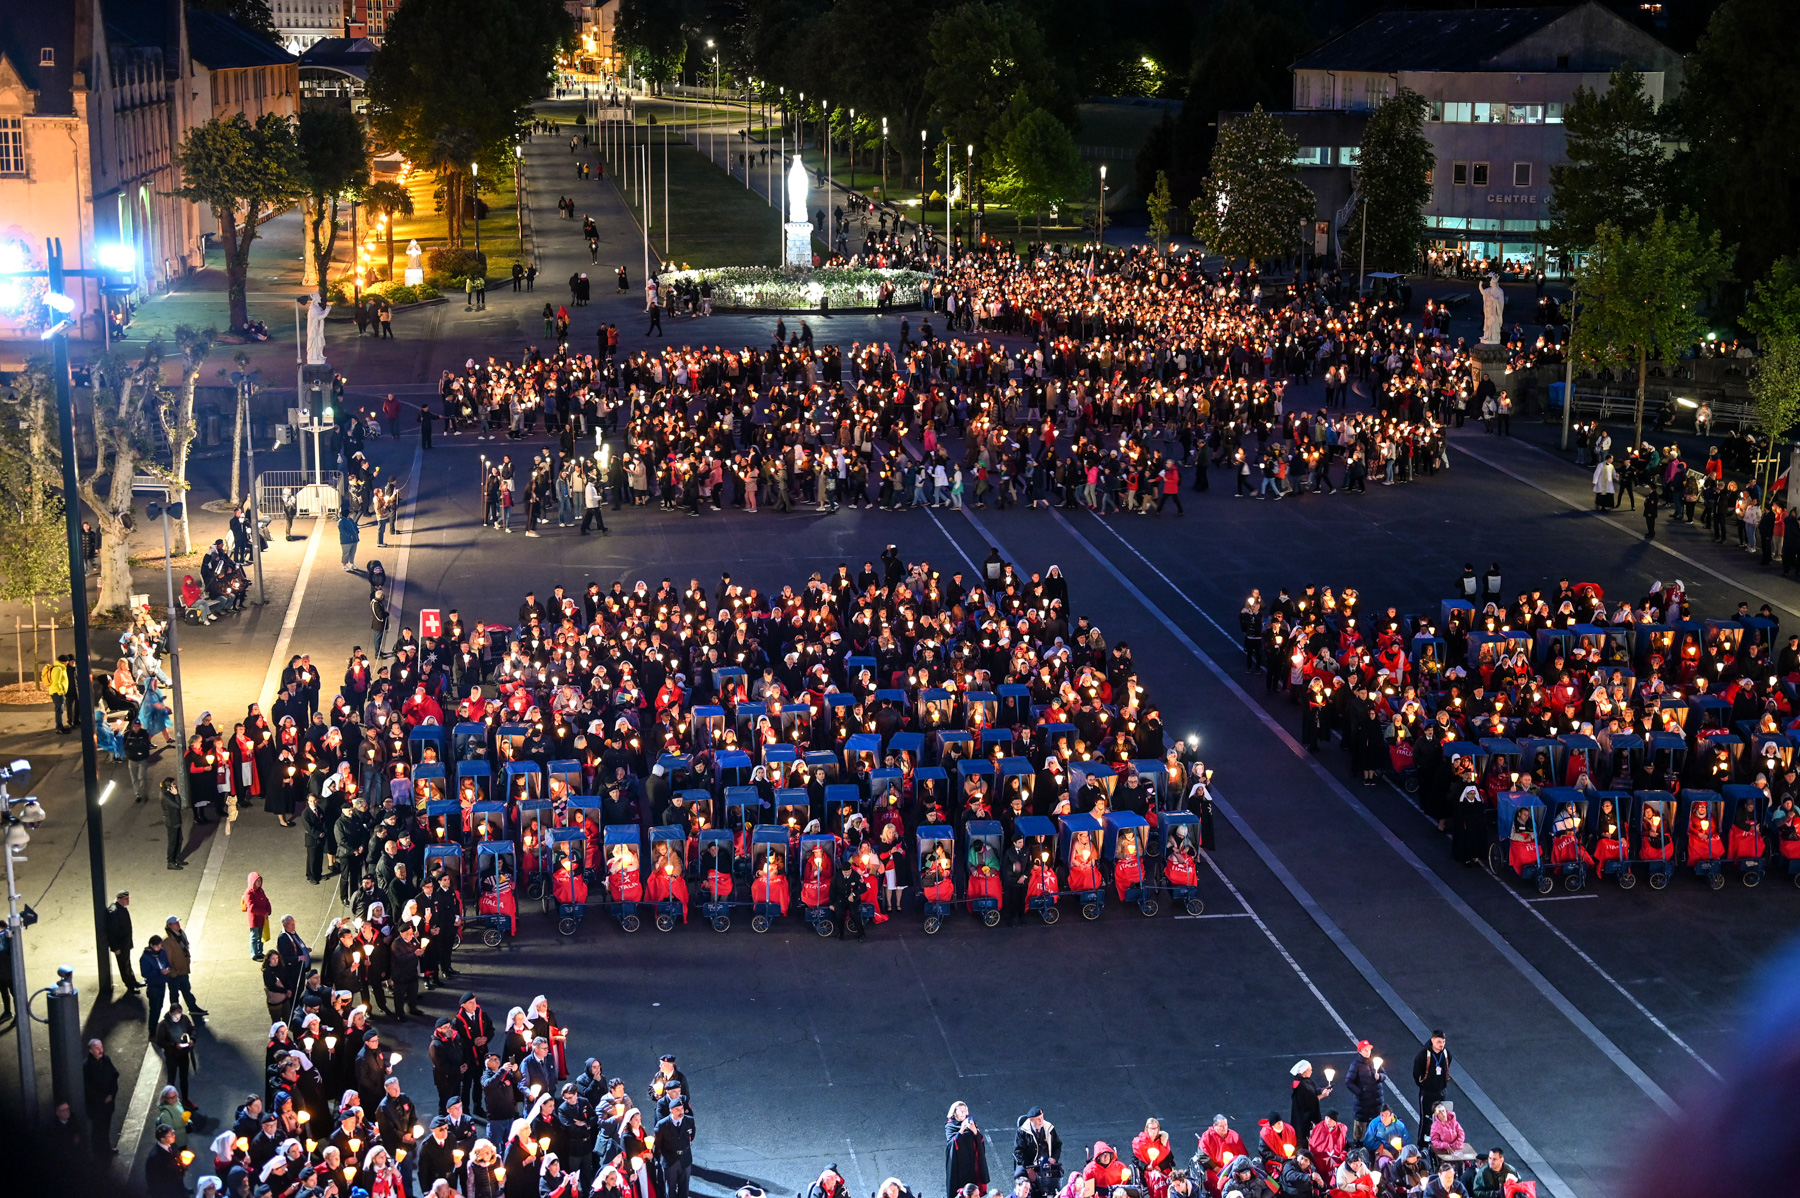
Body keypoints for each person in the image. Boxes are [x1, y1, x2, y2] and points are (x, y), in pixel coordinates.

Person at [652, 1095, 695, 1198]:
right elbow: (658, 1144)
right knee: (670, 1190)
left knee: (684, 1189)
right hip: (670, 1161)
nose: (681, 1112)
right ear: (671, 1111)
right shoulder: (662, 1125)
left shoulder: (689, 1121)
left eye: (682, 1109)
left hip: (685, 1159)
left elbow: (691, 1136)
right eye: (677, 1110)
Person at [1412, 1031, 1451, 1140]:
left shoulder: (1446, 1054)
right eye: (1439, 1041)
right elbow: (1416, 1073)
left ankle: (1438, 1141)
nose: (1441, 1044)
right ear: (1432, 1040)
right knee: (1426, 1118)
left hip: (1441, 1091)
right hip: (1427, 1092)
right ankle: (1422, 1143)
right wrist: (1424, 1085)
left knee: (1442, 1117)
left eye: (1443, 1042)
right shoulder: (1423, 1055)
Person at [85, 1038, 120, 1157]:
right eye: (97, 1048)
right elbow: (88, 1088)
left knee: (106, 1127)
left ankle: (106, 1149)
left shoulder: (106, 1059)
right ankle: (98, 1152)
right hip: (96, 1105)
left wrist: (111, 1094)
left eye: (101, 1047)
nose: (101, 1050)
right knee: (97, 1129)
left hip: (108, 1103)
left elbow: (114, 1075)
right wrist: (102, 1098)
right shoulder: (86, 1066)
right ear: (90, 1050)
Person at [945, 1102, 987, 1197]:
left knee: (973, 1181)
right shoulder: (950, 1126)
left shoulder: (971, 1122)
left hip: (971, 1159)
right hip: (958, 1162)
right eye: (961, 1111)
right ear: (954, 1113)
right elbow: (951, 1143)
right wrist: (962, 1129)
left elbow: (979, 1139)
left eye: (965, 1111)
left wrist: (974, 1130)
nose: (964, 1113)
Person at [1288, 1060, 1330, 1147]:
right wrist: (1323, 1095)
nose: (1311, 1071)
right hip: (1304, 1117)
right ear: (1303, 1072)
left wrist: (1322, 1090)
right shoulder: (1301, 1086)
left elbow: (1312, 1091)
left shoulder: (1304, 1081)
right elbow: (1310, 1102)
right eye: (1309, 1069)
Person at [106, 891, 141, 991]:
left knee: (127, 964)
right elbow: (111, 932)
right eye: (126, 899)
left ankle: (133, 982)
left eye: (128, 898)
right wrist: (115, 947)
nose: (128, 900)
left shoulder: (120, 909)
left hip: (125, 943)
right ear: (119, 899)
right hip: (120, 945)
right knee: (123, 966)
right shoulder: (114, 912)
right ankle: (130, 986)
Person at [161, 777, 185, 870]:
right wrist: (176, 795)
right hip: (172, 822)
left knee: (179, 840)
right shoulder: (166, 797)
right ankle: (170, 862)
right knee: (173, 842)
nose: (176, 786)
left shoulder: (168, 793)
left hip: (176, 820)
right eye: (173, 785)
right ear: (169, 787)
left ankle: (177, 858)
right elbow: (178, 806)